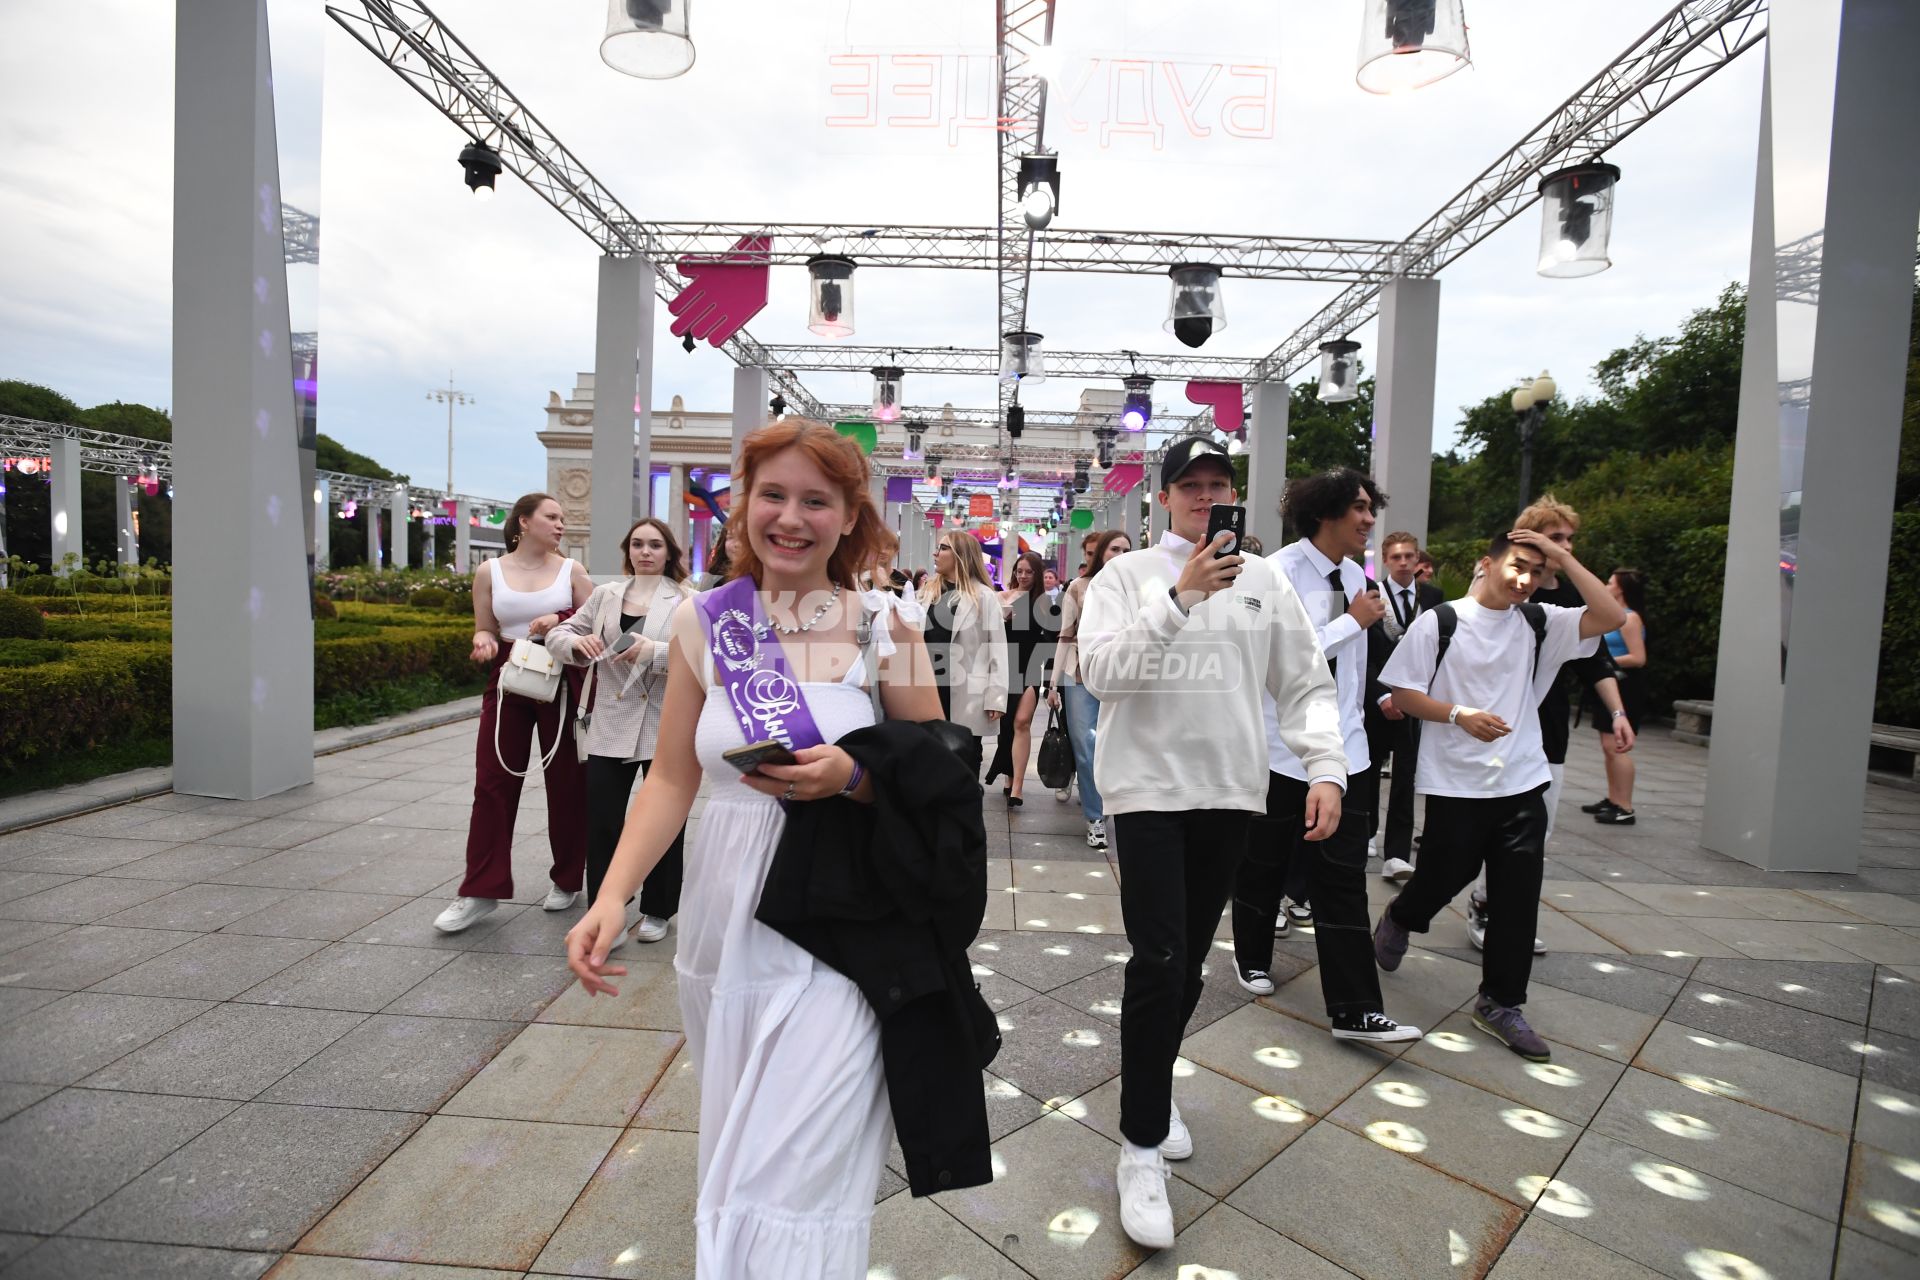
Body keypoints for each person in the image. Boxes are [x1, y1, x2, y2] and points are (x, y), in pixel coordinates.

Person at [565, 420, 964, 1278]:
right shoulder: (706, 624)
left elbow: (941, 781)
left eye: (816, 499)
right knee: (740, 1150)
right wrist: (612, 895)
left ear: (850, 514)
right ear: (743, 506)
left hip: (849, 930)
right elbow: (671, 779)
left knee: (794, 1177)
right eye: (772, 495)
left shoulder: (883, 625)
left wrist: (854, 777)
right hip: (728, 925)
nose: (791, 517)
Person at [1080, 436, 1345, 1250]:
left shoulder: (1263, 582)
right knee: (1157, 958)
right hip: (1148, 793)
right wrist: (1180, 596)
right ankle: (1139, 1145)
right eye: (1188, 486)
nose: (1203, 498)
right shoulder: (1125, 578)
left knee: (1189, 961)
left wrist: (1326, 764)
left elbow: (1304, 680)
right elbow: (1101, 674)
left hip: (1232, 790)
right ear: (1162, 499)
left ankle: (1153, 1090)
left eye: (1217, 485)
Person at [1374, 528, 1625, 1062]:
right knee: (1444, 874)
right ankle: (1402, 915)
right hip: (1455, 782)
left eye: (1537, 571)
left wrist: (1562, 557)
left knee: (1516, 895)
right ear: (1485, 563)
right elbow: (1403, 693)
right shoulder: (1441, 622)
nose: (1526, 579)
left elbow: (1611, 617)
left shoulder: (1541, 623)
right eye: (1517, 565)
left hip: (1522, 780)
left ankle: (1500, 1002)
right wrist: (1458, 714)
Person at [1232, 470, 1421, 1045]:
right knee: (1263, 864)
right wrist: (1350, 621)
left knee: (1343, 883)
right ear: (1325, 513)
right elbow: (1270, 655)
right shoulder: (1274, 572)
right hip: (1279, 748)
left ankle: (1356, 1009)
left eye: (1371, 508)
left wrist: (1380, 699)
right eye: (1359, 509)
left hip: (1346, 753)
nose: (1369, 520)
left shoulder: (1357, 576)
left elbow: (1353, 669)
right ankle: (1251, 955)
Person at [1464, 496, 1634, 952]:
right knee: (1480, 831)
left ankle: (1498, 908)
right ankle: (1479, 901)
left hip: (1546, 724)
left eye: (1569, 539)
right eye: (1555, 538)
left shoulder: (1575, 593)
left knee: (1538, 828)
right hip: (1492, 721)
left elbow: (1597, 659)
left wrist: (1617, 713)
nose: (1564, 547)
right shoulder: (1503, 580)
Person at [438, 493, 594, 933]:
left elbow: (602, 617)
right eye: (552, 517)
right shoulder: (490, 571)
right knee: (492, 784)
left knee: (567, 783)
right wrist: (483, 640)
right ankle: (479, 891)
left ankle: (567, 878)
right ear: (524, 522)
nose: (560, 524)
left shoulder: (571, 570)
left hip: (561, 677)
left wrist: (558, 615)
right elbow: (485, 624)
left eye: (562, 518)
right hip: (508, 679)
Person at [546, 517, 694, 948]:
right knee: (604, 820)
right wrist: (574, 645)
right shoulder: (605, 596)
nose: (645, 552)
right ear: (627, 551)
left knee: (666, 822)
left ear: (669, 552)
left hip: (665, 722)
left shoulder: (688, 600)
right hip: (611, 723)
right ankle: (604, 911)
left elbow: (705, 655)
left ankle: (658, 908)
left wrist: (656, 653)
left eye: (654, 545)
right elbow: (561, 632)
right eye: (637, 544)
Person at [1367, 531, 1444, 883]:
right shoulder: (1371, 594)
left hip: (1415, 700)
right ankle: (1367, 832)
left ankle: (1397, 853)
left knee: (1406, 778)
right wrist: (1381, 695)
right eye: (1396, 557)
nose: (1402, 563)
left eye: (1409, 557)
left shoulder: (1433, 597)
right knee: (1367, 774)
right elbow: (1361, 653)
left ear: (1418, 561)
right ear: (1385, 559)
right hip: (1377, 701)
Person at [1048, 529, 1130, 847]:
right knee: (1087, 748)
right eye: (1114, 550)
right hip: (1080, 676)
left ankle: (1115, 808)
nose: (1120, 556)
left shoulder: (1137, 590)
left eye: (1126, 550)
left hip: (1122, 676)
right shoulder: (1079, 587)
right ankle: (1096, 819)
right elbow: (1065, 636)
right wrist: (1052, 683)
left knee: (1117, 747)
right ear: (1100, 555)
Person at [918, 531, 1008, 775]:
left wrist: (996, 697)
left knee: (964, 756)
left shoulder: (984, 596)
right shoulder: (927, 592)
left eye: (943, 548)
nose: (936, 553)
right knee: (929, 756)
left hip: (967, 689)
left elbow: (997, 649)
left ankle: (964, 808)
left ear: (960, 555)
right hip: (928, 687)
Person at [985, 551, 1060, 806]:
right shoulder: (1001, 598)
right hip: (1003, 668)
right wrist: (1002, 617)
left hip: (1029, 668)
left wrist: (1052, 685)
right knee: (1005, 727)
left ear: (1037, 574)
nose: (1023, 576)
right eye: (1019, 571)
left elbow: (1050, 646)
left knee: (1022, 722)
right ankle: (1008, 775)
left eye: (1029, 571)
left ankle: (1017, 785)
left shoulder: (1045, 605)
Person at [1582, 568, 1647, 824]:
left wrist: (1603, 662)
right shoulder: (1618, 616)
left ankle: (1625, 805)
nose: (1606, 587)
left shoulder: (1630, 619)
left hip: (1625, 686)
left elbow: (1639, 658)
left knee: (1617, 746)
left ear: (1620, 589)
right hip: (1612, 683)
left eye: (1610, 583)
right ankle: (1613, 797)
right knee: (1608, 747)